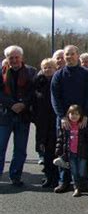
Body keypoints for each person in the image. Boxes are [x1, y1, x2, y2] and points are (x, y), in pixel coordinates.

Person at [51, 45, 88, 193]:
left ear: (78, 55)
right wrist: (62, 116)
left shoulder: (86, 74)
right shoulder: (58, 75)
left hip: (81, 119)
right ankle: (64, 181)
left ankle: (82, 181)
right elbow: (55, 98)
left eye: (72, 54)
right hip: (64, 119)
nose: (69, 57)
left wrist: (86, 116)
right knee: (64, 150)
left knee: (82, 151)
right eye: (66, 55)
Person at [0, 45, 37, 186]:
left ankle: (15, 176)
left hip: (23, 116)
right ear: (7, 59)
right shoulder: (1, 72)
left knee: (20, 149)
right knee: (1, 148)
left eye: (17, 57)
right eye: (11, 58)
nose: (14, 60)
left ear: (21, 57)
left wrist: (23, 104)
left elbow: (33, 92)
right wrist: (11, 104)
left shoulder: (31, 72)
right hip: (4, 116)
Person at [55, 105, 88, 197]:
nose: (74, 116)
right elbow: (60, 140)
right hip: (71, 154)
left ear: (81, 116)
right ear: (68, 115)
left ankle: (85, 185)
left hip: (82, 154)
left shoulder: (83, 127)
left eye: (77, 114)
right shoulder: (66, 127)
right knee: (74, 172)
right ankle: (77, 188)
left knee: (82, 171)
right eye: (72, 114)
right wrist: (58, 151)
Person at [32, 58, 59, 188]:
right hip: (42, 122)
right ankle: (48, 176)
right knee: (45, 151)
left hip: (55, 120)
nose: (48, 70)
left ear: (55, 68)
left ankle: (57, 178)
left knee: (56, 150)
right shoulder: (37, 82)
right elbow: (32, 101)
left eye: (50, 67)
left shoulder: (58, 81)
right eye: (45, 67)